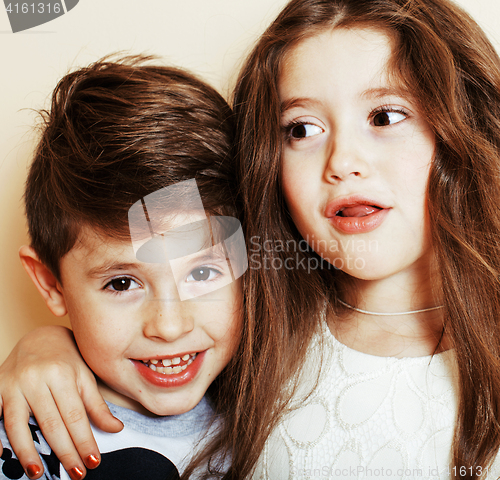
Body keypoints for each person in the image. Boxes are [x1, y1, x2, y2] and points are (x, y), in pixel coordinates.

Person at [3, 0, 500, 477]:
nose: (343, 161)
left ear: (463, 123)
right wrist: (46, 348)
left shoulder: (247, 323)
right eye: (302, 128)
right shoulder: (270, 333)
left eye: (385, 117)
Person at [0, 56, 251, 480]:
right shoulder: (26, 438)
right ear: (51, 283)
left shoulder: (274, 410)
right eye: (121, 283)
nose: (169, 327)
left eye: (203, 273)